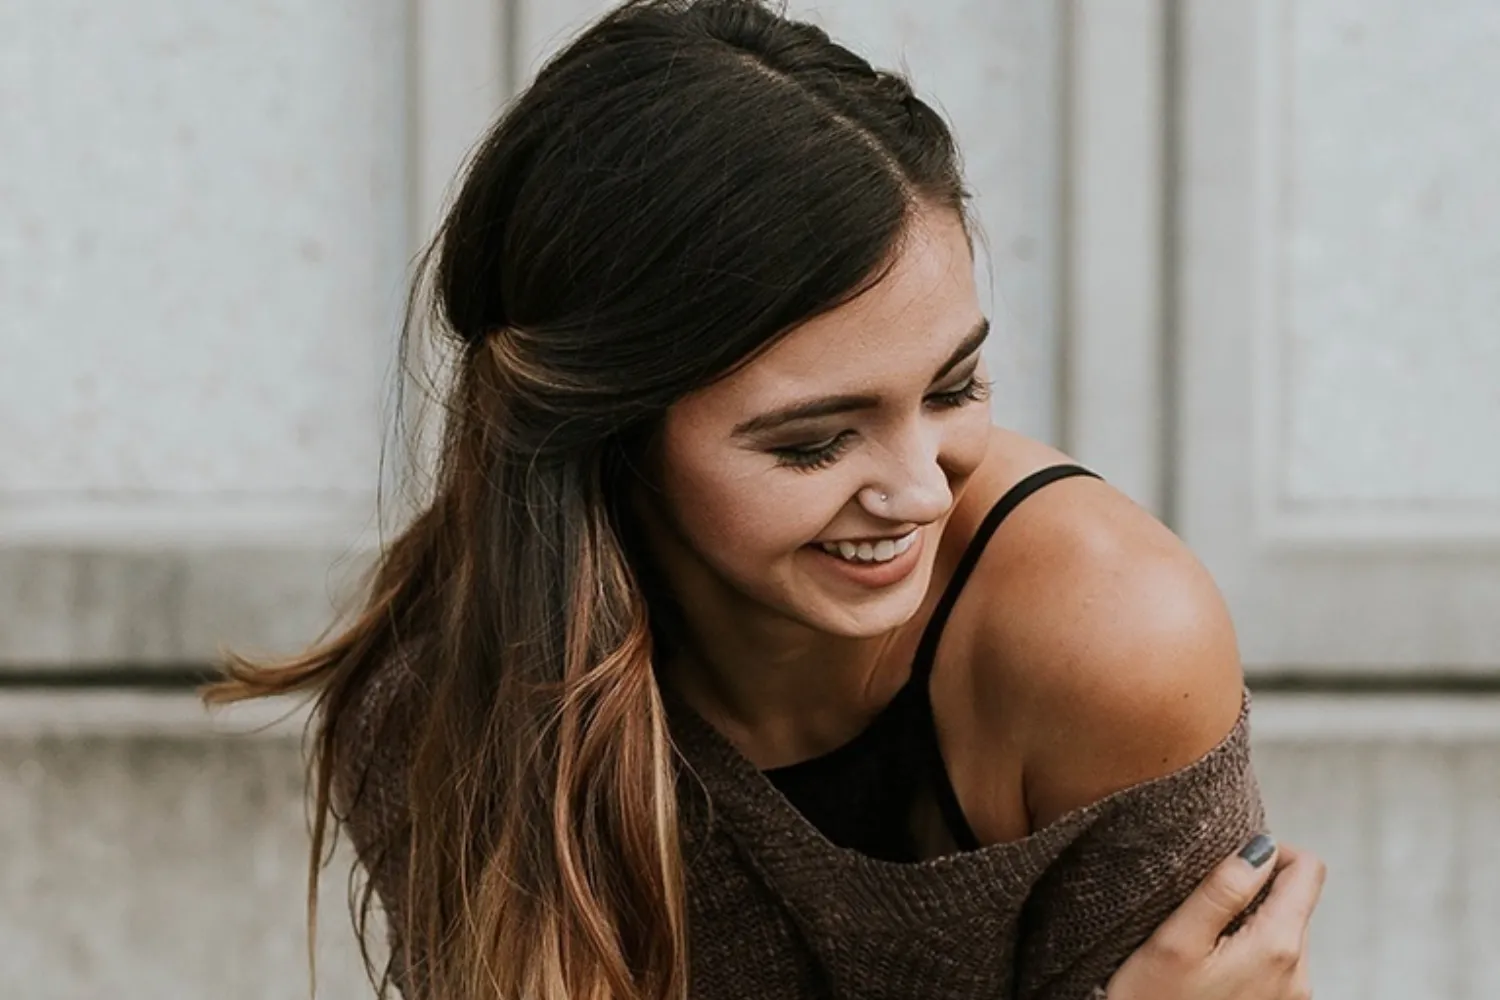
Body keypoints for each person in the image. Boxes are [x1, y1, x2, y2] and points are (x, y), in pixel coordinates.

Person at [211, 1, 1325, 997]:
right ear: (611, 433)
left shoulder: (1104, 634)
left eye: (952, 387)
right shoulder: (441, 699)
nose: (915, 489)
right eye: (813, 441)